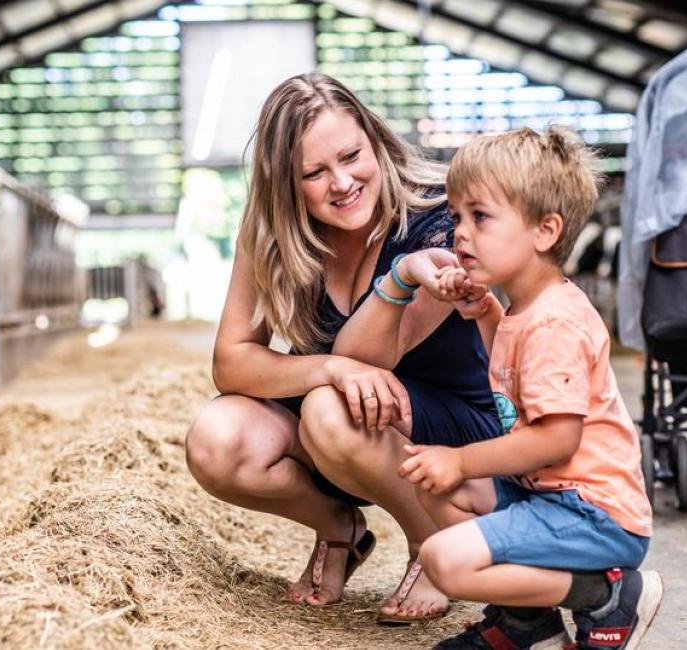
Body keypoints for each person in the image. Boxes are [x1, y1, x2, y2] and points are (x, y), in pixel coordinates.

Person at [184, 72, 503, 623]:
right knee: (217, 439)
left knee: (331, 409)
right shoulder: (273, 235)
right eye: (313, 173)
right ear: (286, 183)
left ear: (375, 141)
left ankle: (432, 544)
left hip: (453, 434)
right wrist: (327, 368)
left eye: (352, 156)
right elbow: (231, 361)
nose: (341, 182)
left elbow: (375, 362)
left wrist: (401, 276)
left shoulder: (435, 222)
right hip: (342, 430)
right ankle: (339, 529)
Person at [394, 128, 662, 649]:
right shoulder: (526, 308)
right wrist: (486, 313)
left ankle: (605, 596)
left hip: (593, 514)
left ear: (544, 231)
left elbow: (556, 439)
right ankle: (528, 624)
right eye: (456, 218)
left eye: (480, 216)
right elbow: (519, 384)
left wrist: (461, 459)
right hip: (548, 496)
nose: (460, 234)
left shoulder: (553, 322)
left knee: (443, 560)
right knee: (438, 489)